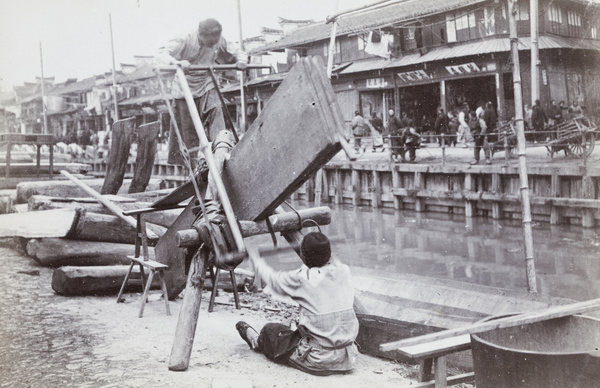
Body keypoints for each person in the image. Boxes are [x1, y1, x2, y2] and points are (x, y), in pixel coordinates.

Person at [236, 232, 359, 376]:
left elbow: (273, 280)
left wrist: (255, 259)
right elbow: (324, 261)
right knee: (295, 330)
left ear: (305, 257)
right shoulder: (344, 271)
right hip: (347, 357)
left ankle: (256, 342)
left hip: (318, 359)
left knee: (271, 331)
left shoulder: (302, 279)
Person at [154, 18, 247, 183]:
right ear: (201, 35)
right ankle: (193, 172)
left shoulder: (220, 38)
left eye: (215, 42)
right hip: (185, 86)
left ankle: (221, 151)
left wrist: (241, 61)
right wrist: (176, 63)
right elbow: (160, 54)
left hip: (206, 81)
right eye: (210, 42)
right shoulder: (184, 38)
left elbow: (238, 51)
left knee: (216, 110)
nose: (213, 45)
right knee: (189, 135)